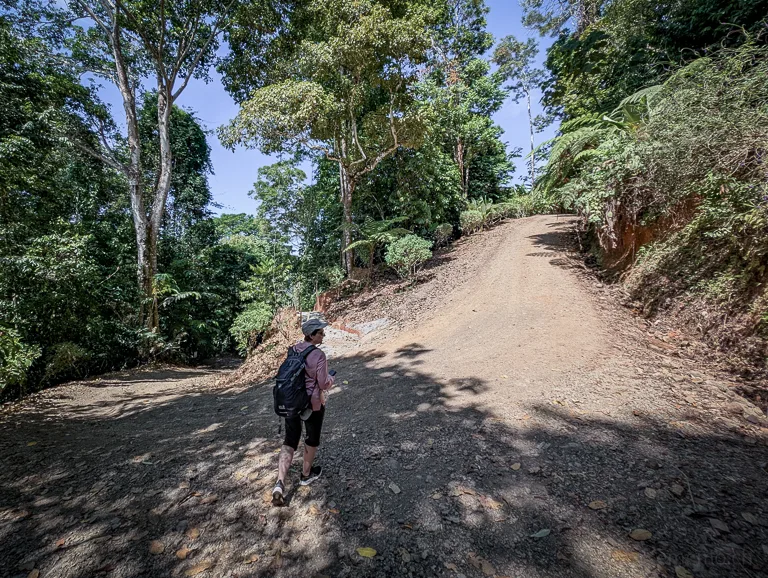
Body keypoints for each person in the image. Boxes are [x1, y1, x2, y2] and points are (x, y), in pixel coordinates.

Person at [272, 318, 335, 506]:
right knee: (311, 438)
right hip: (312, 403)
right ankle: (305, 475)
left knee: (290, 440)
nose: (323, 335)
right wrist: (331, 378)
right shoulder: (319, 355)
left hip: (291, 401)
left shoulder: (293, 349)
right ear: (311, 335)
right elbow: (323, 383)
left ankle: (279, 483)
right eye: (320, 333)